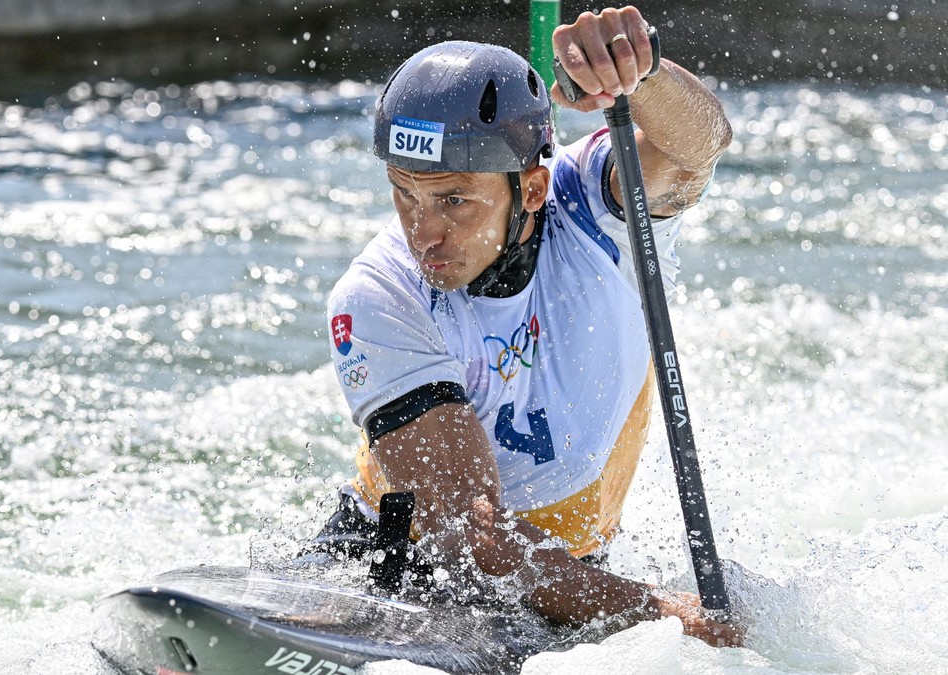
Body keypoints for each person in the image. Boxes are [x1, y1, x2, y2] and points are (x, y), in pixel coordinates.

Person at [314, 7, 742, 647]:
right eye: (405, 193)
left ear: (533, 190)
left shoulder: (596, 208)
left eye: (453, 199)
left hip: (568, 582)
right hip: (391, 571)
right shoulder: (376, 294)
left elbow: (696, 148)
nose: (422, 231)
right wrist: (669, 617)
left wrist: (641, 72)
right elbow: (474, 536)